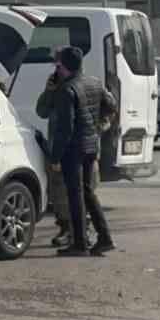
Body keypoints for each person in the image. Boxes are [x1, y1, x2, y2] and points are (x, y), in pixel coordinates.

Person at [45, 46, 116, 257]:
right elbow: (111, 105)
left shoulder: (67, 89)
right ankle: (104, 238)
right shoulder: (94, 82)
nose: (56, 69)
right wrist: (96, 126)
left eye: (58, 65)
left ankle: (80, 243)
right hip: (91, 146)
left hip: (73, 150)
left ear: (64, 66)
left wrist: (55, 157)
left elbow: (65, 128)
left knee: (75, 196)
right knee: (87, 193)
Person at [36, 67, 98, 248]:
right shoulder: (57, 90)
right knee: (59, 191)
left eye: (59, 67)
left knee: (82, 191)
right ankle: (66, 229)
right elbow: (41, 111)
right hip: (60, 147)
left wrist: (98, 129)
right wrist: (49, 91)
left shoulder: (87, 85)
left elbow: (109, 108)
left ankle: (83, 230)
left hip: (78, 148)